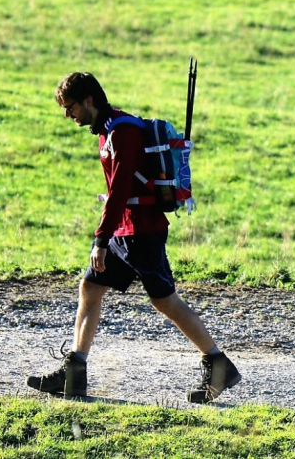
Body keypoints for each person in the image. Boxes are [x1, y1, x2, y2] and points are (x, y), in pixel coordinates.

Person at [26, 72, 241, 403]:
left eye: (70, 108)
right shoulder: (108, 131)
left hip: (142, 231)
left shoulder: (123, 131)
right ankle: (74, 371)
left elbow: (120, 190)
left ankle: (218, 363)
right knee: (91, 287)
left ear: (88, 101)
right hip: (126, 230)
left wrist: (100, 239)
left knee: (164, 300)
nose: (68, 115)